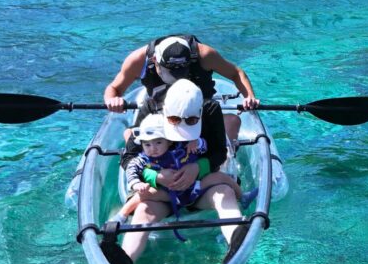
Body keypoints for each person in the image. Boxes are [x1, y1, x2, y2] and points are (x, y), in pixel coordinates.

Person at [119, 81, 250, 264]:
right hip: (164, 193)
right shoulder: (151, 108)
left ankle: (235, 245)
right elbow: (130, 157)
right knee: (143, 210)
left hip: (200, 186)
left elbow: (219, 152)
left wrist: (197, 167)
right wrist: (155, 177)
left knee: (224, 193)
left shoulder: (210, 108)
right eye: (174, 121)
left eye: (191, 122)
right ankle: (125, 262)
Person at [103, 34, 259, 185]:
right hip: (161, 115)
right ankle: (148, 168)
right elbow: (114, 88)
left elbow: (236, 73)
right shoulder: (138, 60)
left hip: (201, 115)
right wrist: (113, 100)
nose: (177, 79)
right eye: (171, 73)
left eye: (182, 71)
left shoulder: (205, 54)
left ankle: (223, 165)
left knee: (232, 120)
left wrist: (249, 97)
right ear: (156, 62)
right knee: (130, 134)